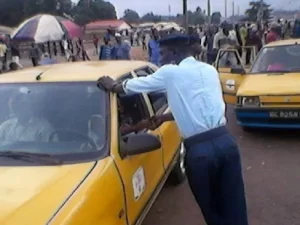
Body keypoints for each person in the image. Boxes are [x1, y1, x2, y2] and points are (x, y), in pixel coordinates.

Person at [98, 34, 248, 225]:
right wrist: (163, 117)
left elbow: (128, 88)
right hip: (227, 144)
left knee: (212, 211)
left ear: (175, 53)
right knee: (235, 206)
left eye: (163, 54)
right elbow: (200, 106)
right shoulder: (209, 70)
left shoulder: (169, 72)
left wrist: (112, 85)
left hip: (200, 152)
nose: (159, 59)